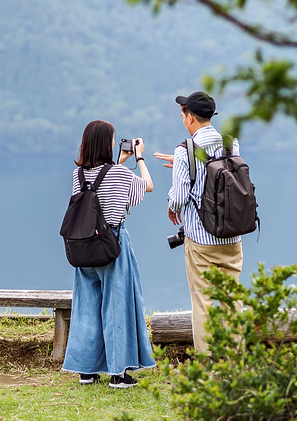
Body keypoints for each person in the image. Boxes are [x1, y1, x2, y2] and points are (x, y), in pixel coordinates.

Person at [61, 120, 156, 387]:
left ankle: (86, 371)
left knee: (87, 308)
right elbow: (147, 186)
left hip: (83, 247)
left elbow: (97, 191)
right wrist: (139, 158)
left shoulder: (77, 175)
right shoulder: (119, 174)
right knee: (117, 307)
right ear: (107, 144)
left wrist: (119, 162)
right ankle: (118, 373)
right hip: (112, 245)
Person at [153, 91, 242, 353]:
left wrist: (171, 199)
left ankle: (207, 366)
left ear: (190, 117)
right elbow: (225, 173)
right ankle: (237, 361)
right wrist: (181, 164)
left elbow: (179, 199)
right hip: (231, 236)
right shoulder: (230, 143)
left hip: (200, 239)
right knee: (232, 301)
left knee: (202, 303)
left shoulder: (185, 150)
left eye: (183, 114)